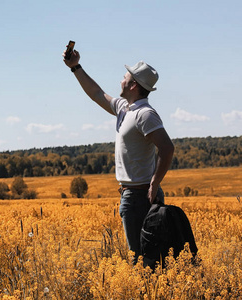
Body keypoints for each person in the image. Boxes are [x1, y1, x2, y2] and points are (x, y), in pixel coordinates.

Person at [63, 46, 175, 263]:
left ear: (133, 85)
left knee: (142, 259)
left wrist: (154, 184)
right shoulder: (125, 108)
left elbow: (167, 148)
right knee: (148, 257)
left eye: (124, 77)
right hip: (131, 195)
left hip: (140, 196)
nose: (120, 80)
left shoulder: (145, 115)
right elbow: (96, 93)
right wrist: (75, 67)